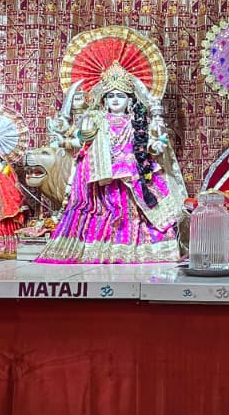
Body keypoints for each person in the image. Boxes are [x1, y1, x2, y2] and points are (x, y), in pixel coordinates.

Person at [37, 63, 188, 264]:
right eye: (111, 96)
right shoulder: (95, 119)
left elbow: (146, 145)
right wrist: (63, 141)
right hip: (100, 176)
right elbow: (81, 141)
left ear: (130, 100)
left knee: (135, 213)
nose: (115, 100)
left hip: (132, 176)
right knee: (102, 212)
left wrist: (156, 146)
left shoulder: (137, 121)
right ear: (104, 100)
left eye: (121, 96)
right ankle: (98, 249)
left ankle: (139, 250)